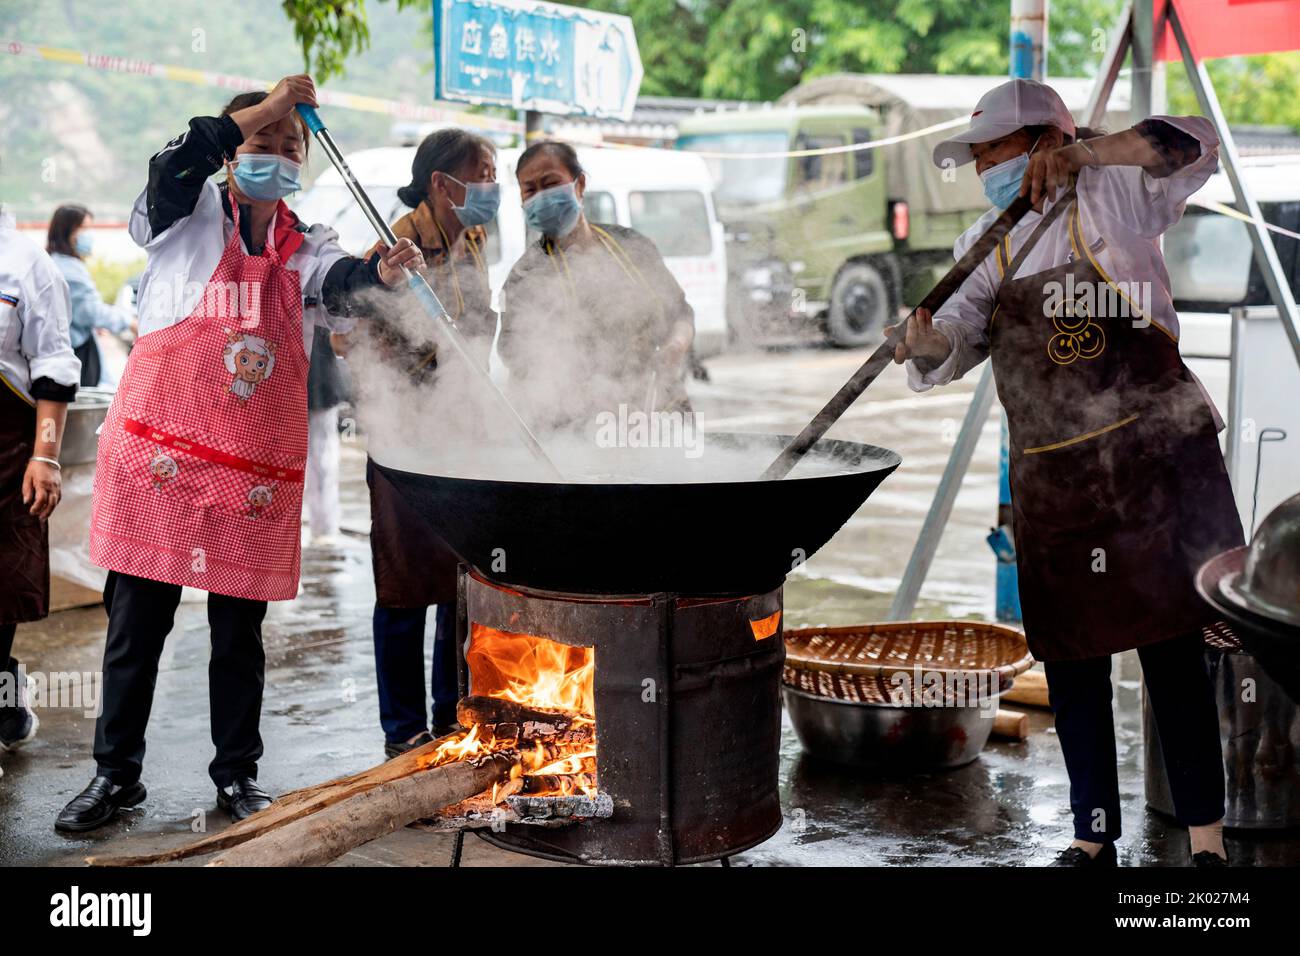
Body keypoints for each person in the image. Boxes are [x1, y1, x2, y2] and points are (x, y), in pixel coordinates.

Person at [55, 75, 424, 832]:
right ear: (233, 150)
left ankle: (236, 776)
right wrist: (269, 103)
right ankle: (115, 777)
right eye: (263, 140)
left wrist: (382, 271)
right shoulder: (182, 215)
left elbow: (343, 280)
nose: (279, 153)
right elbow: (179, 161)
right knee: (136, 628)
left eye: (292, 146)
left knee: (239, 635)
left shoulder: (303, 244)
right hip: (161, 457)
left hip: (250, 472)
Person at [891, 79, 1243, 867]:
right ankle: (1091, 838)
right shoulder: (987, 242)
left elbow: (1194, 141)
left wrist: (1091, 152)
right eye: (978, 157)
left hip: (1152, 466)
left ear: (1046, 143)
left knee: (1173, 654)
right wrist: (920, 344)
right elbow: (953, 338)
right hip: (1059, 485)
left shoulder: (1117, 194)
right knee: (1074, 658)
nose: (984, 167)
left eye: (994, 152)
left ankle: (1206, 843)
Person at [355, 129, 499, 758]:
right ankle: (403, 731)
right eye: (483, 174)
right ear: (442, 183)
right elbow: (353, 343)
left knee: (458, 582)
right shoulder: (393, 250)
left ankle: (450, 715)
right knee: (405, 583)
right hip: (405, 440)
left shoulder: (476, 239)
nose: (491, 188)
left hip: (465, 434)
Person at [499, 141, 695, 432]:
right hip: (582, 431)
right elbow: (522, 363)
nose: (542, 196)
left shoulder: (632, 245)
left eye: (551, 183)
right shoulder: (525, 277)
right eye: (530, 189)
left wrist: (676, 346)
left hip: (662, 412)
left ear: (580, 184)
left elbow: (680, 312)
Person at [0, 192, 80, 756]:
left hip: (6, 451)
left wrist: (45, 456)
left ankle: (4, 696)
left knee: (2, 588)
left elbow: (52, 367)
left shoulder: (27, 264)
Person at [46, 204, 134, 387]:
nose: (89, 234)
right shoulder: (69, 269)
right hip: (76, 354)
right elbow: (91, 311)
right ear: (66, 231)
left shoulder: (55, 262)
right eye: (83, 228)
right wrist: (130, 323)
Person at [304, 326, 349, 546]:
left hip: (321, 374)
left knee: (324, 459)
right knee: (321, 458)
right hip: (303, 375)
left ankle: (325, 527)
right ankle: (323, 527)